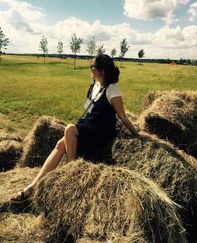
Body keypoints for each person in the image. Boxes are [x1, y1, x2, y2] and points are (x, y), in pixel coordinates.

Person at [10, 54, 137, 204]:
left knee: (70, 129)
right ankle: (32, 187)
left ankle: (70, 171)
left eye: (92, 66)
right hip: (88, 128)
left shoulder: (112, 90)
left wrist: (137, 133)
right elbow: (89, 111)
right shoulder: (94, 87)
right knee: (61, 144)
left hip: (101, 134)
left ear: (101, 71)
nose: (90, 69)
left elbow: (122, 116)